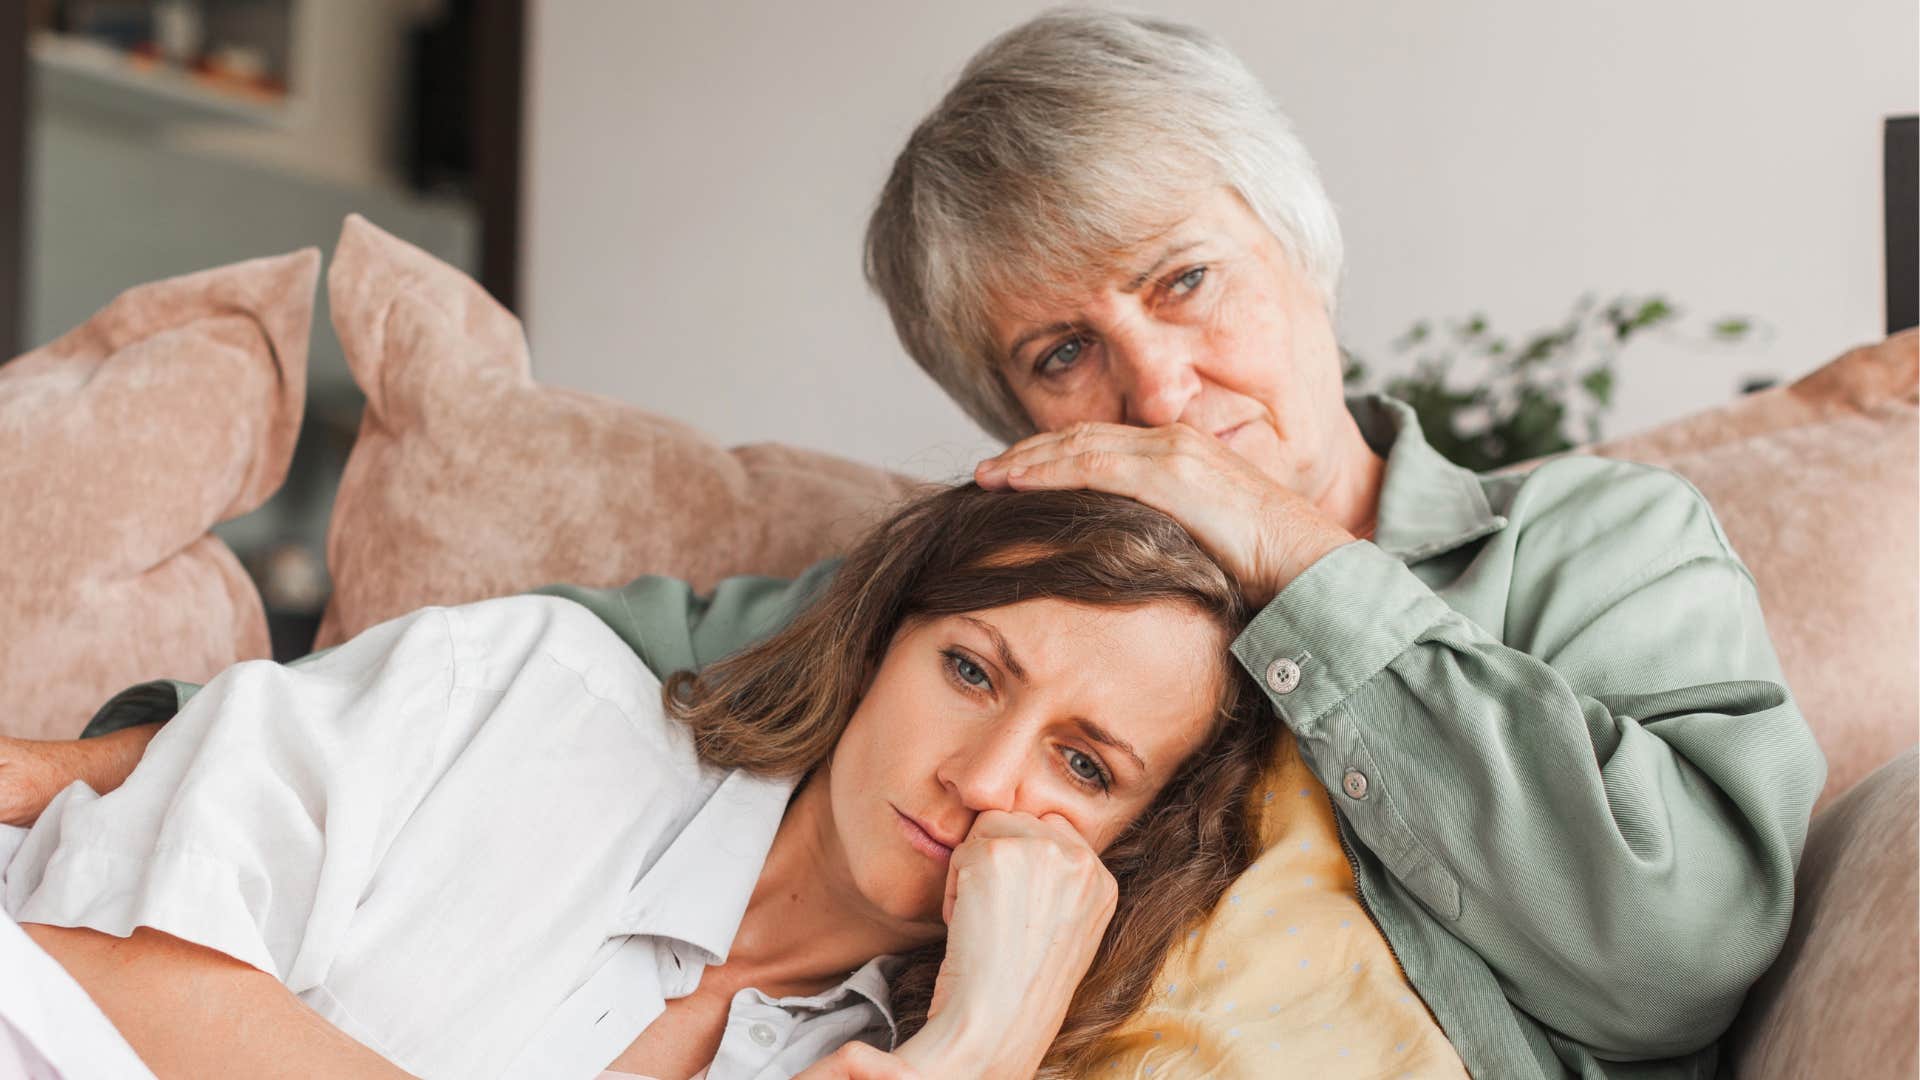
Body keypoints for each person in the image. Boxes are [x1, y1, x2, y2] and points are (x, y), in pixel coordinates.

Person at [2, 8, 1823, 1078]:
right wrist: (72, 764)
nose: (1159, 385)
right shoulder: (1019, 587)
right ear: (1010, 412)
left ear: (1298, 247)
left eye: (1188, 283)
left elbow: (1677, 947)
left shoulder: (1591, 542)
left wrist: (1282, 554)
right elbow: (644, 652)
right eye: (1063, 354)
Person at [5, 487, 1280, 1079]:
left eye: (1083, 765)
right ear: (881, 635)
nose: (981, 777)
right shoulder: (527, 693)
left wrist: (977, 1052)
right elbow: (97, 943)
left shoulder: (878, 1063)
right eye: (970, 669)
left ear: (1126, 843)